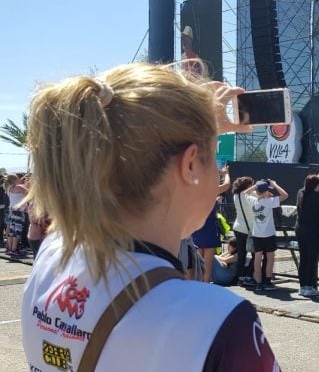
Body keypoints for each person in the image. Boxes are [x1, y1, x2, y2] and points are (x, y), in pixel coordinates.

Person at [21, 63, 278, 370]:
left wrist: (189, 127)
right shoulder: (218, 321)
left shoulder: (53, 257)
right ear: (191, 165)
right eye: (212, 159)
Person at [241, 179, 289, 291]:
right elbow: (285, 195)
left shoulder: (253, 200)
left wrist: (256, 186)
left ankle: (258, 282)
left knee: (257, 258)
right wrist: (275, 184)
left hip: (257, 234)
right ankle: (267, 280)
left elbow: (244, 193)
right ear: (266, 191)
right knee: (270, 257)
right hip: (268, 234)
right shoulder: (269, 202)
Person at [192, 166, 231, 283]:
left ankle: (199, 283)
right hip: (209, 227)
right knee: (208, 261)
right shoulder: (211, 190)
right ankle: (206, 283)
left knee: (199, 258)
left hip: (197, 226)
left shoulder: (194, 191)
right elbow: (227, 185)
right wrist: (225, 174)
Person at [296, 171, 319, 297]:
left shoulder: (301, 193)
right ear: (316, 185)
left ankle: (303, 286)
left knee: (303, 257)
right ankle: (310, 286)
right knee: (312, 258)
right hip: (313, 230)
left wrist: (317, 177)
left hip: (300, 229)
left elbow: (306, 188)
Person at [232, 176, 256, 283]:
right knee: (256, 253)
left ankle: (240, 276)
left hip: (238, 227)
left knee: (241, 253)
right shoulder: (249, 195)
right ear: (248, 186)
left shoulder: (236, 195)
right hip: (250, 229)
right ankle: (250, 275)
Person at [4, 174, 28, 256]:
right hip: (18, 211)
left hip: (11, 211)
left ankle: (10, 249)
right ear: (15, 180)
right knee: (17, 232)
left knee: (11, 231)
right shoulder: (19, 187)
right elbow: (30, 195)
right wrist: (27, 184)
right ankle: (14, 249)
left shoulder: (8, 188)